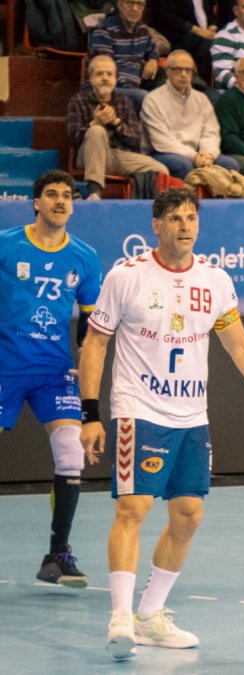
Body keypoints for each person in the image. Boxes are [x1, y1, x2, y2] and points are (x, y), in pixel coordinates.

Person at [79, 188, 244, 660]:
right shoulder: (127, 276)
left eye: (191, 217)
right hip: (138, 411)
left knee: (188, 515)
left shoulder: (215, 279)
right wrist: (90, 413)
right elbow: (95, 344)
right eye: (175, 217)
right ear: (156, 225)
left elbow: (239, 344)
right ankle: (120, 615)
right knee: (132, 509)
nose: (185, 225)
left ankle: (150, 615)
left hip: (191, 416)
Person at [0, 170, 102, 589]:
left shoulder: (85, 256)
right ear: (36, 202)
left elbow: (90, 323)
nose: (61, 201)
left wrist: (83, 361)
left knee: (71, 453)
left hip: (55, 373)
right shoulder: (6, 245)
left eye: (67, 195)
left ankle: (58, 556)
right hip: (5, 367)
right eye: (52, 195)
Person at [66, 55, 168, 200]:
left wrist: (116, 122)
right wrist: (95, 122)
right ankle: (94, 193)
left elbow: (136, 140)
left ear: (115, 79)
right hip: (88, 155)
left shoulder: (124, 102)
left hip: (117, 156)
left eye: (109, 74)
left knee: (161, 169)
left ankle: (144, 203)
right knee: (96, 130)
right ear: (90, 78)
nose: (105, 78)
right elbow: (73, 139)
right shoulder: (77, 101)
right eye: (99, 74)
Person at [142, 51, 241, 180]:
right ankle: (183, 200)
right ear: (167, 71)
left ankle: (216, 200)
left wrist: (208, 155)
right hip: (163, 153)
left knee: (230, 164)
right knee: (183, 164)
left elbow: (211, 132)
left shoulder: (201, 99)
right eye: (178, 69)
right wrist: (194, 156)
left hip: (197, 154)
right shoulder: (152, 99)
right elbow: (162, 142)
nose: (183, 74)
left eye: (188, 70)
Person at [88, 0, 158, 105]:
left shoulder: (143, 29)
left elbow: (153, 48)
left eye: (139, 4)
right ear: (119, 5)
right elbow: (104, 70)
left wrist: (153, 59)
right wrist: (131, 89)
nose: (134, 8)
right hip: (109, 88)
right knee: (144, 97)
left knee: (166, 85)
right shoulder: (105, 29)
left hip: (134, 88)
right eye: (129, 3)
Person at [150, 0, 218, 80]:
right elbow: (165, 15)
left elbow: (209, 10)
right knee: (209, 47)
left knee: (224, 43)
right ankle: (202, 87)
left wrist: (212, 25)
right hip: (176, 35)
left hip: (204, 34)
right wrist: (196, 30)